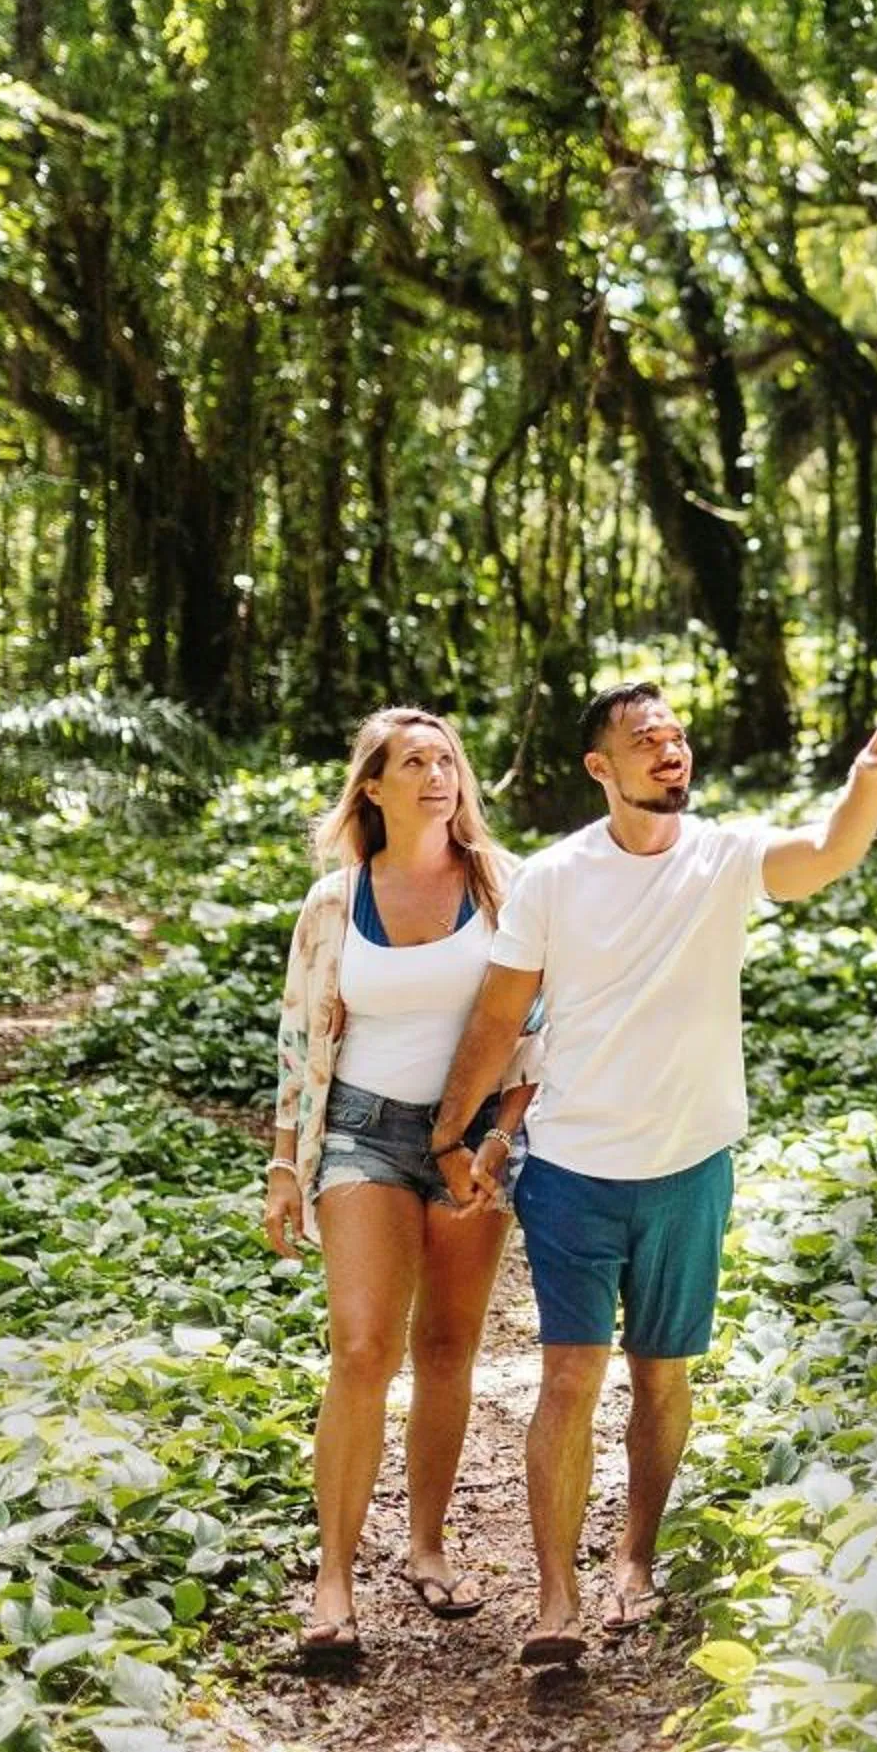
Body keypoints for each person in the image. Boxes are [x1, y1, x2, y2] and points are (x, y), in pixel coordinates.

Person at [425, 682, 877, 1667]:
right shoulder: (555, 880)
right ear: (599, 768)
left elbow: (823, 853)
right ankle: (557, 1598)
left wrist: (867, 776)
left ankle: (637, 1555)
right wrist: (453, 1133)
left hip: (690, 1165)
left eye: (675, 734)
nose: (668, 749)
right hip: (573, 1166)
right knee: (571, 1375)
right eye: (643, 738)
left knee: (663, 1374)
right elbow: (498, 1021)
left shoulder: (724, 854)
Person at [264, 708, 542, 1669]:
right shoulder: (335, 903)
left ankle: (425, 1545)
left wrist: (499, 1138)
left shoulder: (503, 888)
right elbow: (302, 1041)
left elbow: (537, 1030)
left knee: (449, 1345)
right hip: (362, 1134)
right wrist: (282, 1166)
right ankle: (333, 1584)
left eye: (447, 760)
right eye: (412, 762)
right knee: (362, 1345)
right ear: (371, 788)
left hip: (474, 1141)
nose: (436, 775)